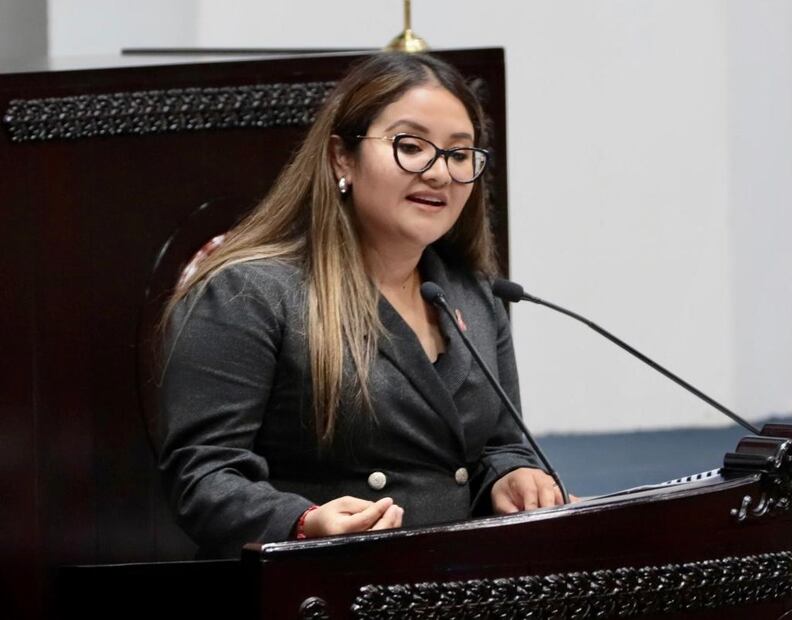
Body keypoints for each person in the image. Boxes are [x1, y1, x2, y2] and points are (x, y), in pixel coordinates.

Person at [158, 52, 564, 559]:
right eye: (411, 146)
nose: (440, 174)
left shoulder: (473, 293)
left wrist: (515, 476)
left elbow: (502, 445)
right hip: (319, 585)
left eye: (460, 155)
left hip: (456, 579)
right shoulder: (249, 293)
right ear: (341, 158)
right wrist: (302, 523)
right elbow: (203, 478)